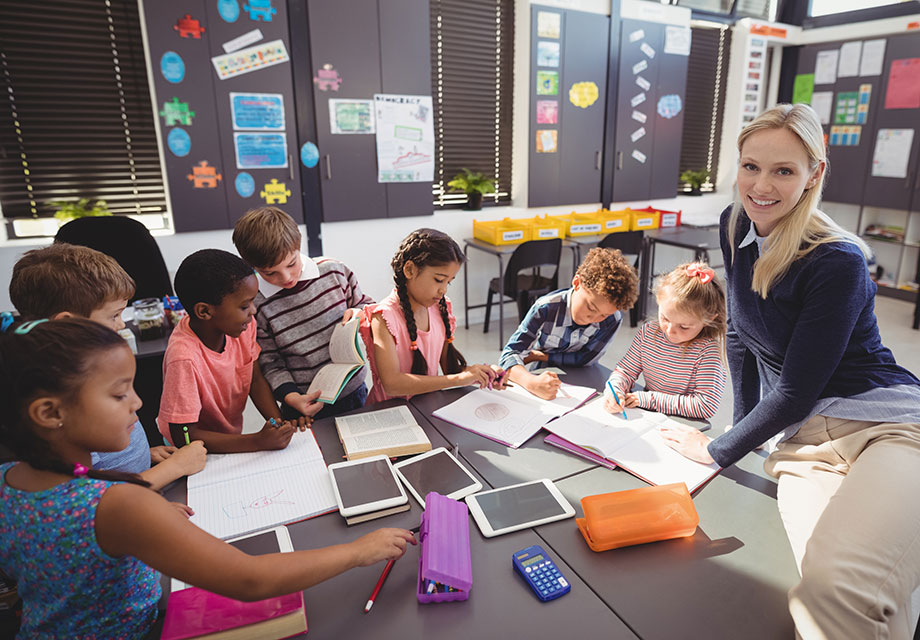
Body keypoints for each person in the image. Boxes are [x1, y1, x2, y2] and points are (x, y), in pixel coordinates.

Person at [659, 103, 920, 639]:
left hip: (888, 426)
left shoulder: (837, 261)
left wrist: (716, 449)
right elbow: (739, 334)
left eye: (783, 170)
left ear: (814, 174)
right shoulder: (738, 225)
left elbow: (798, 388)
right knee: (835, 591)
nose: (761, 186)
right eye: (751, 166)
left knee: (839, 588)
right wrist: (742, 430)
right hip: (802, 441)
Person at [0, 318, 415, 638]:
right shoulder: (117, 507)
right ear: (50, 413)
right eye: (118, 393)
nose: (138, 402)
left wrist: (143, 522)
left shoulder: (9, 479)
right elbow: (249, 579)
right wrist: (359, 550)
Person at [8, 243, 205, 489]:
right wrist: (177, 467)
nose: (121, 325)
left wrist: (144, 456)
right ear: (68, 324)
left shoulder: (87, 373)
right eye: (114, 315)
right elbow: (99, 493)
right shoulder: (70, 392)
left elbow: (105, 463)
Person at [233, 206, 374, 421]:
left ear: (298, 245)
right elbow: (270, 363)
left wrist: (358, 313)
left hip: (353, 391)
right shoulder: (257, 303)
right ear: (254, 268)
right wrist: (291, 397)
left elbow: (366, 305)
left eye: (292, 264)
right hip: (302, 406)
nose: (286, 277)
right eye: (270, 273)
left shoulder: (335, 271)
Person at [157, 249, 305, 453]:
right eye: (245, 306)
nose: (253, 311)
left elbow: (255, 380)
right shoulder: (184, 358)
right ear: (205, 311)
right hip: (188, 452)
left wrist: (279, 424)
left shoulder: (243, 327)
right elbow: (183, 434)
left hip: (229, 438)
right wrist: (257, 442)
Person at [360, 228, 503, 403]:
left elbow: (450, 370)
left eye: (448, 282)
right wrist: (459, 379)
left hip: (424, 407)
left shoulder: (439, 309)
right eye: (439, 280)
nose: (443, 290)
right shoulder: (384, 317)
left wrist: (482, 373)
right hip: (389, 414)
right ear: (410, 270)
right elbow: (392, 384)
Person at [499, 247, 638, 400]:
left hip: (582, 377)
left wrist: (541, 356)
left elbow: (587, 358)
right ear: (577, 283)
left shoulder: (613, 319)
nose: (594, 318)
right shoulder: (545, 308)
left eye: (604, 315)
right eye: (591, 307)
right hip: (543, 374)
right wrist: (531, 382)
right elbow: (509, 355)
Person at [604, 262, 725, 421]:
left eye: (684, 327)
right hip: (646, 416)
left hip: (682, 424)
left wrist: (648, 399)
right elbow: (625, 371)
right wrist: (615, 389)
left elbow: (705, 405)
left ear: (709, 318)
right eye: (665, 318)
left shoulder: (708, 352)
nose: (670, 330)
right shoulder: (648, 333)